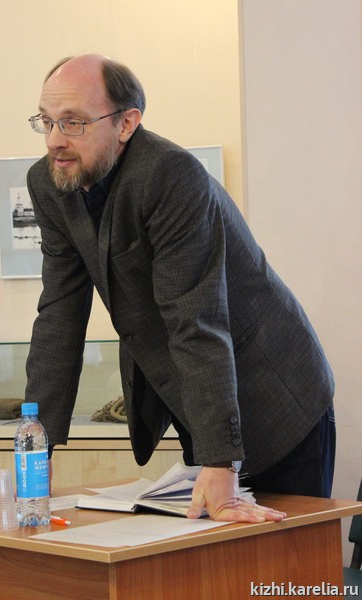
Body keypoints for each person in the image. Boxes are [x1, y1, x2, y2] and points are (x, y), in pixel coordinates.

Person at [24, 54, 335, 523]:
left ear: (127, 123)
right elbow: (58, 317)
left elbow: (195, 319)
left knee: (281, 558)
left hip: (274, 395)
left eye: (74, 123)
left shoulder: (170, 175)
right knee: (207, 557)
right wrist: (37, 448)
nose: (54, 140)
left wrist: (219, 461)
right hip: (202, 398)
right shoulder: (49, 182)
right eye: (46, 121)